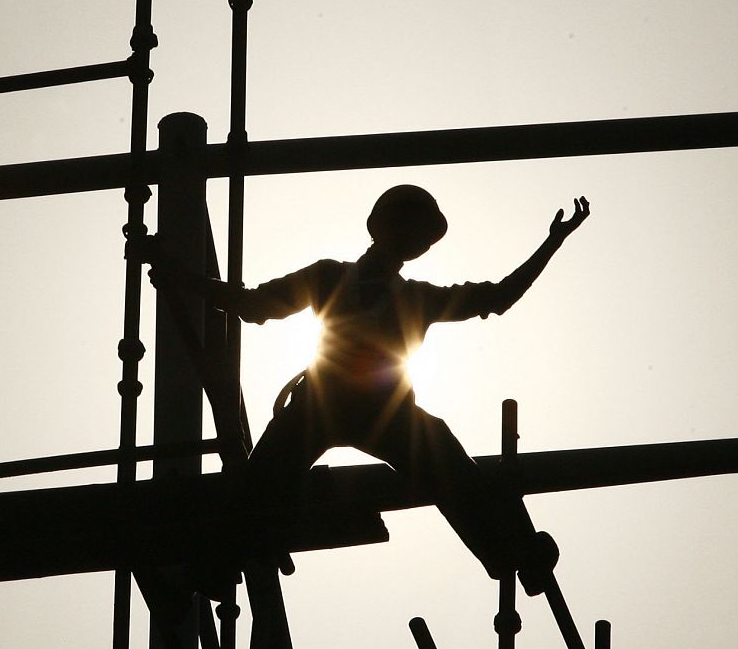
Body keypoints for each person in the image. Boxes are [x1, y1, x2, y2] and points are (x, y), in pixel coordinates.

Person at [143, 184, 590, 595]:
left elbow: (498, 297)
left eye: (419, 237)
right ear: (382, 228)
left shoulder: (417, 297)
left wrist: (554, 241)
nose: (411, 243)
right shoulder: (329, 278)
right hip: (322, 405)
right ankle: (215, 564)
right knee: (256, 485)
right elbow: (254, 304)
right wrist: (181, 278)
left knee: (448, 458)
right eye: (408, 230)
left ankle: (516, 555)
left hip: (384, 413)